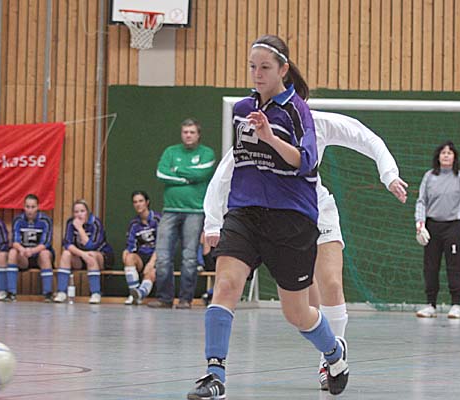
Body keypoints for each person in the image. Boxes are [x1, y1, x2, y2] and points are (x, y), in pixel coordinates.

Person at [187, 35, 349, 399]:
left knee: (297, 312)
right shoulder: (241, 109)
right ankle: (215, 375)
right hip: (244, 212)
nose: (257, 74)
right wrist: (215, 219)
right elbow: (236, 164)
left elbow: (305, 162)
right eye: (252, 67)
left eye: (264, 67)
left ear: (283, 70)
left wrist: (270, 136)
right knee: (226, 285)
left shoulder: (298, 111)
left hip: (291, 218)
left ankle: (334, 353)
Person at [205, 110, 408, 390]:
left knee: (331, 283)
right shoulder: (257, 125)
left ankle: (332, 360)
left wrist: (389, 174)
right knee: (297, 309)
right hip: (275, 217)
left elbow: (366, 137)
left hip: (317, 210)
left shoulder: (317, 122)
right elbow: (226, 170)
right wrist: (212, 221)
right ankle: (328, 350)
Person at [148, 118, 216, 310]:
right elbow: (162, 173)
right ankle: (164, 298)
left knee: (189, 257)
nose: (188, 135)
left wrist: (176, 171)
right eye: (185, 132)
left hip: (195, 212)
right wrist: (187, 179)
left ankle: (186, 299)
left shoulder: (207, 153)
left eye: (192, 132)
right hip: (170, 210)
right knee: (162, 256)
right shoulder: (170, 152)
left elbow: (202, 173)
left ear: (198, 135)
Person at [415, 141, 460, 319]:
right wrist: (420, 225)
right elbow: (421, 201)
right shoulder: (429, 176)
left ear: (454, 156)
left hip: (454, 227)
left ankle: (456, 305)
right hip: (432, 227)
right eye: (443, 152)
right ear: (438, 156)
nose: (446, 155)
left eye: (449, 152)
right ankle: (430, 304)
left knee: (454, 266)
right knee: (430, 266)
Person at [55, 199, 114, 304]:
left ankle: (95, 293)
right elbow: (67, 244)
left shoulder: (95, 223)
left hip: (100, 256)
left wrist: (80, 229)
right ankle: (61, 292)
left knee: (91, 255)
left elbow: (91, 246)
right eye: (76, 212)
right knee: (66, 254)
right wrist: (82, 254)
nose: (79, 214)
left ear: (88, 212)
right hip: (82, 256)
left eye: (82, 211)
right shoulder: (71, 223)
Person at [7, 194, 54, 302]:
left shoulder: (45, 220)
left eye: (33, 207)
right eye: (27, 207)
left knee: (45, 254)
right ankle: (11, 293)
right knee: (13, 252)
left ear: (38, 207)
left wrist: (32, 251)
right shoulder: (18, 220)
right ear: (24, 207)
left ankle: (48, 293)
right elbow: (15, 241)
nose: (30, 210)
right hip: (24, 255)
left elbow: (46, 243)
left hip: (39, 255)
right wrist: (22, 250)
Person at [123, 190, 161, 305]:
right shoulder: (134, 223)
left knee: (152, 272)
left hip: (157, 257)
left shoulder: (157, 219)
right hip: (141, 256)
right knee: (129, 257)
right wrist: (126, 252)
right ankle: (133, 293)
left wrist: (151, 263)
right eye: (135, 202)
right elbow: (130, 245)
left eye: (141, 201)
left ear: (147, 202)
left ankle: (139, 294)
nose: (138, 204)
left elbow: (162, 245)